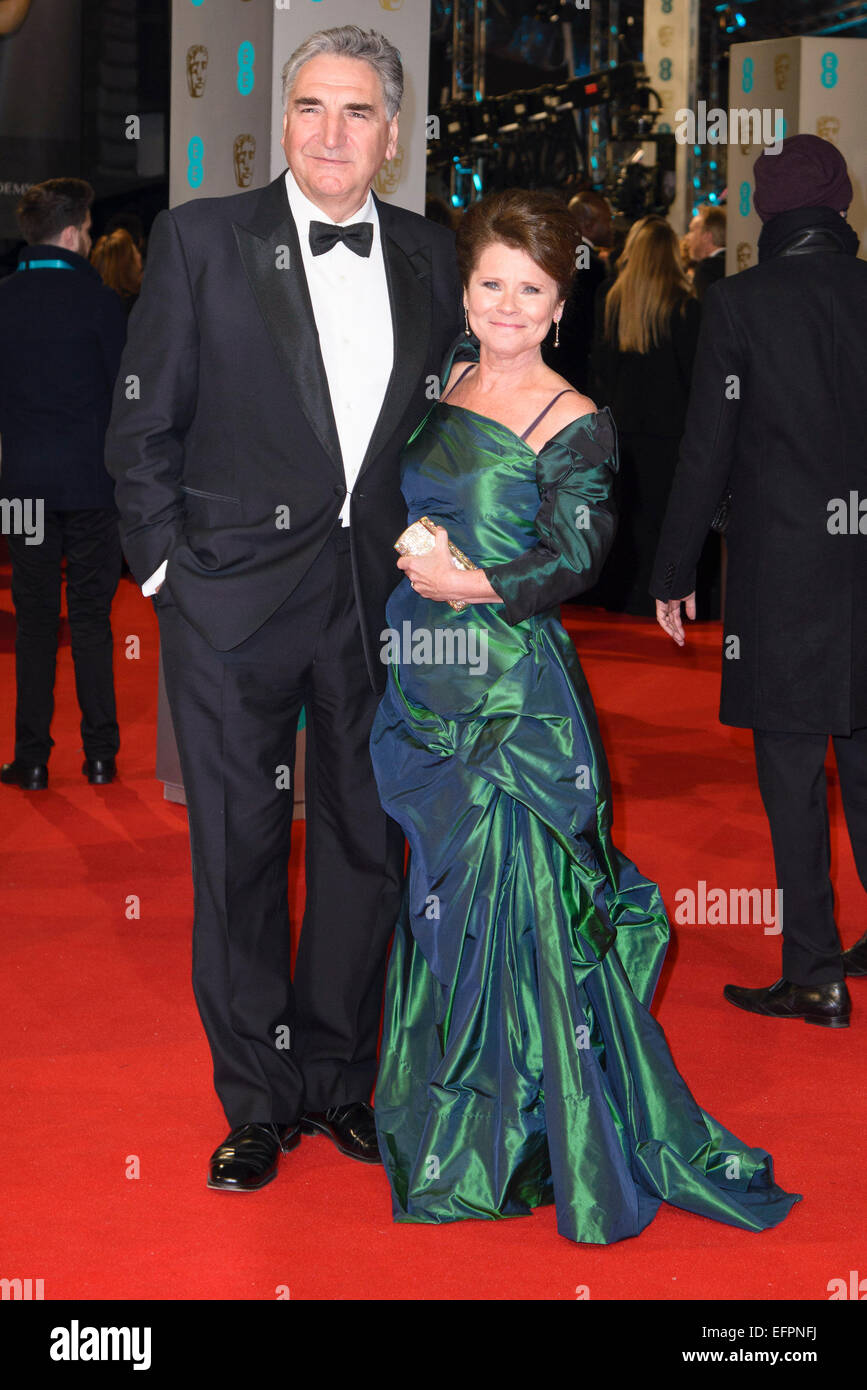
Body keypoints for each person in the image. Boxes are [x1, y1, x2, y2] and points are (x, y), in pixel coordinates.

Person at [369, 188, 800, 1244]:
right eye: (491, 284)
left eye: (531, 289)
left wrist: (465, 581)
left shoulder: (575, 416)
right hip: (424, 677)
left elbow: (577, 554)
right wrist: (413, 560)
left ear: (561, 303)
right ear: (465, 289)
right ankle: (457, 1122)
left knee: (527, 911)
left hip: (514, 699)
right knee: (443, 901)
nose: (507, 306)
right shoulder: (444, 377)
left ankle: (533, 1132)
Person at [105, 25, 462, 1191]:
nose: (329, 133)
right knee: (240, 855)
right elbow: (142, 422)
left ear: (393, 136)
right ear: (282, 121)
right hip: (233, 609)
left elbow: (451, 431)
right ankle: (255, 1099)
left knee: (368, 848)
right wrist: (167, 578)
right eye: (310, 107)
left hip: (378, 608)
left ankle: (340, 1080)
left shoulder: (429, 253)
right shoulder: (200, 238)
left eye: (357, 113)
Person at [651, 134, 867, 1026]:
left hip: (781, 575)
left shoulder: (737, 302)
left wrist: (671, 569)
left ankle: (813, 970)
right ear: (843, 202)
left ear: (766, 213)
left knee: (787, 770)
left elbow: (708, 447)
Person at [0, 178, 126, 791]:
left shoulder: (4, 300)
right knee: (92, 618)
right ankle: (100, 756)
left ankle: (31, 759)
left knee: (34, 620)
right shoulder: (102, 305)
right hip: (93, 488)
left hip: (23, 490)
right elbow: (126, 401)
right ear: (76, 232)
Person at [589, 215, 717, 617]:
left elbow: (600, 371)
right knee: (666, 524)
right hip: (670, 436)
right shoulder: (685, 307)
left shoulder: (610, 298)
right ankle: (663, 602)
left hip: (619, 433)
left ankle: (625, 602)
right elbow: (695, 376)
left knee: (624, 524)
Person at [542, 190, 611, 394]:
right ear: (589, 225)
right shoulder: (591, 264)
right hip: (576, 363)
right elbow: (590, 319)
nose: (611, 228)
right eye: (608, 221)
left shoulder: (556, 253)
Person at [90, 227, 143, 314]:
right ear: (127, 264)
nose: (139, 256)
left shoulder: (90, 304)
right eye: (135, 252)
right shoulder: (138, 306)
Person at [686, 204, 726, 301]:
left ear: (706, 236)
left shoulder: (706, 269)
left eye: (691, 231)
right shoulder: (731, 262)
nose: (687, 237)